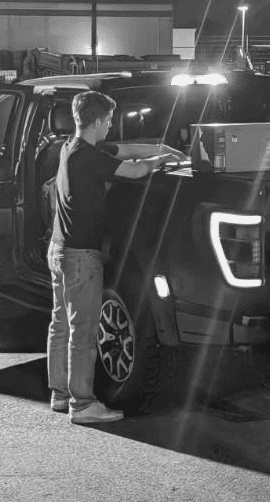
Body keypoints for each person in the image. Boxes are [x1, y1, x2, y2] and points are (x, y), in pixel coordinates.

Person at [47, 91, 185, 424]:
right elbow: (134, 171)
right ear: (97, 121)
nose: (111, 126)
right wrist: (161, 162)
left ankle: (61, 395)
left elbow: (123, 150)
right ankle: (83, 406)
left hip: (59, 250)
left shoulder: (73, 147)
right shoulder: (89, 158)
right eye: (109, 120)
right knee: (84, 331)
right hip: (81, 256)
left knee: (61, 326)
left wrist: (160, 149)